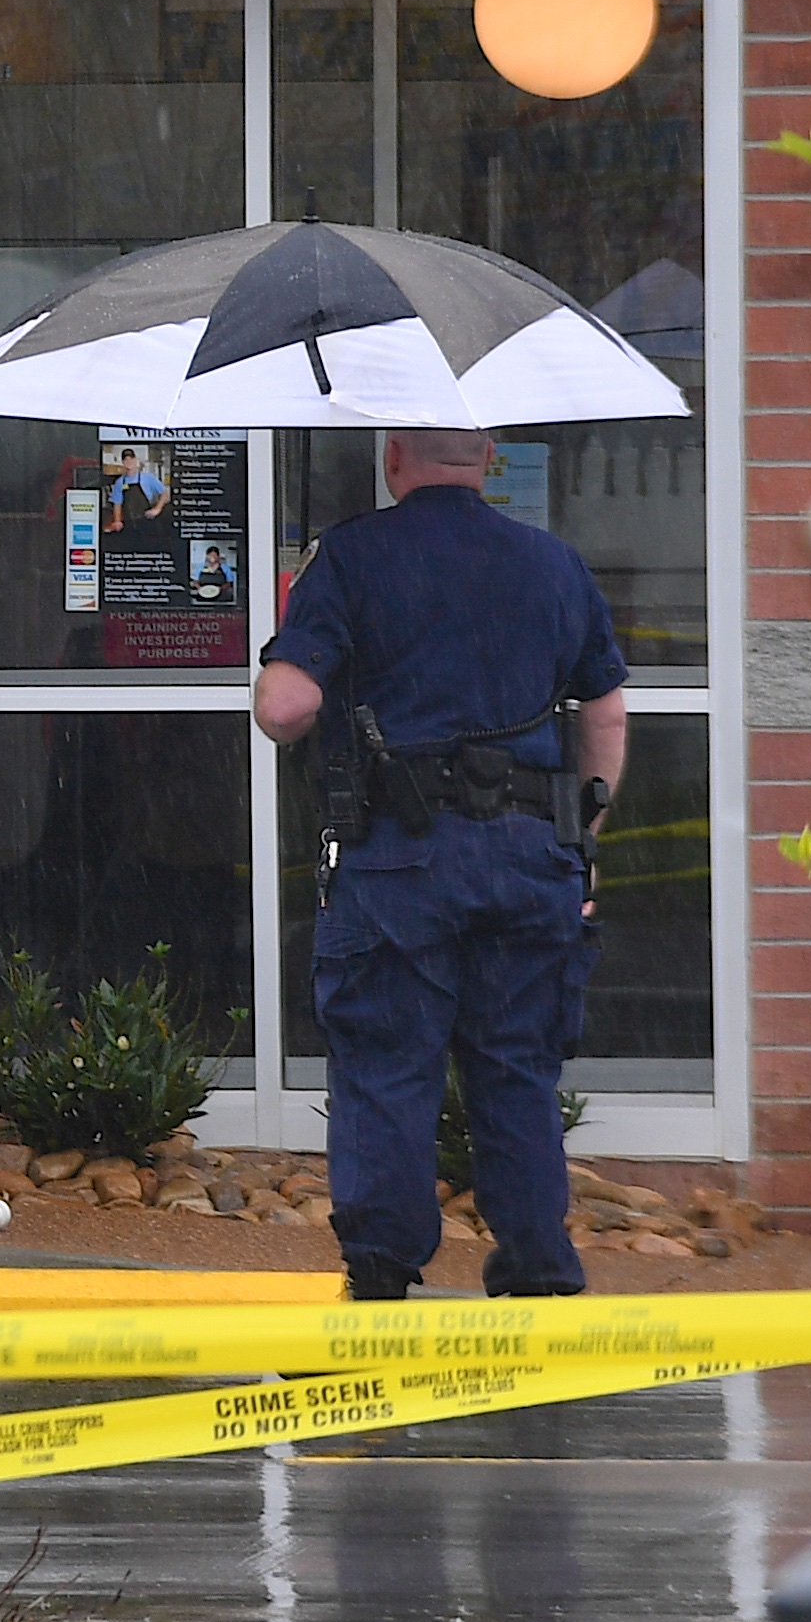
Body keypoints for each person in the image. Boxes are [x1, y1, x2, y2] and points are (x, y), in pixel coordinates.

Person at [250, 427, 629, 1301]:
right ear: (488, 457)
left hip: (400, 866)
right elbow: (603, 708)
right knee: (517, 1071)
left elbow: (287, 707)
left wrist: (280, 666)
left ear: (393, 461)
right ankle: (537, 1271)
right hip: (531, 859)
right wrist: (586, 830)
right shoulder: (555, 564)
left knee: (388, 1069)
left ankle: (383, 1274)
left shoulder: (349, 557)